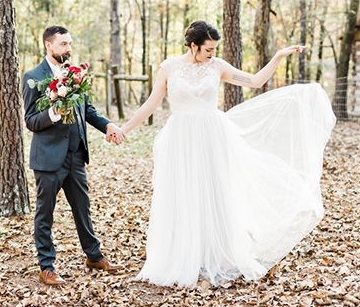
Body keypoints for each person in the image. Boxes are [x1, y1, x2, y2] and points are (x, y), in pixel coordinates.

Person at [120, 20, 336, 287]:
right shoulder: (169, 68)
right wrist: (125, 129)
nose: (212, 53)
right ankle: (184, 254)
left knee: (213, 191)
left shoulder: (218, 67)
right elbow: (151, 104)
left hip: (211, 137)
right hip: (181, 140)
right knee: (183, 192)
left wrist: (279, 56)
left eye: (214, 49)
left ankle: (215, 254)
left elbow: (255, 81)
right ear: (193, 45)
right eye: (208, 49)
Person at [22, 25, 125, 286]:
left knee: (83, 209)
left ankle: (94, 256)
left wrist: (108, 125)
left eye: (70, 43)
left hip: (76, 155)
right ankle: (47, 266)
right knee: (45, 214)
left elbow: (87, 110)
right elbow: (31, 120)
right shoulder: (33, 76)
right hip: (47, 159)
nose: (69, 48)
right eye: (64, 44)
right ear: (49, 45)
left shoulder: (75, 74)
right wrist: (54, 113)